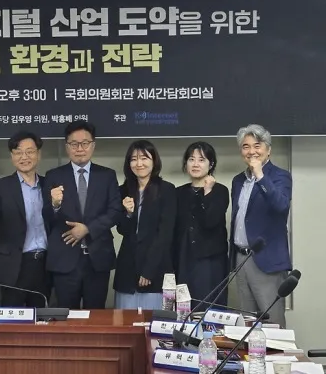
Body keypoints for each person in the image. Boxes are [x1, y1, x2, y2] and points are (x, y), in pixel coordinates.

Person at [43, 120, 122, 309]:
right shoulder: (53, 175)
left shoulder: (107, 175)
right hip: (64, 259)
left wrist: (88, 229)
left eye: (85, 143)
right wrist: (55, 205)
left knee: (96, 315)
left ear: (93, 145)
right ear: (66, 147)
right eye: (74, 144)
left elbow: (115, 211)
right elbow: (46, 216)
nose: (79, 148)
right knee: (65, 316)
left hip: (97, 259)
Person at [0, 130, 49, 307]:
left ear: (38, 154)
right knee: (12, 317)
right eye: (18, 152)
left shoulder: (49, 185)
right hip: (13, 265)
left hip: (44, 264)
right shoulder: (1, 186)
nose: (24, 157)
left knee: (42, 317)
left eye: (29, 152)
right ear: (12, 156)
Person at [231, 124, 292, 327]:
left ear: (268, 149)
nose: (251, 151)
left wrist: (260, 176)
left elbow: (281, 206)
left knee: (272, 322)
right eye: (246, 146)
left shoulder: (280, 176)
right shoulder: (238, 180)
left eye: (257, 146)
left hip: (267, 260)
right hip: (241, 258)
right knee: (247, 323)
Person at [113, 140, 176, 310]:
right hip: (127, 268)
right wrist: (128, 214)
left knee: (152, 321)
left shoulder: (166, 190)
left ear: (154, 160)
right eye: (134, 159)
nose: (139, 163)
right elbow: (122, 229)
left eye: (144, 158)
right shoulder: (123, 190)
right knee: (125, 321)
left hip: (155, 268)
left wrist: (149, 270)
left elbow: (165, 233)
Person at [175, 142, 229, 309]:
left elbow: (210, 221)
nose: (195, 164)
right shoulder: (177, 192)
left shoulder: (220, 191)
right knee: (184, 309)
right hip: (183, 259)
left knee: (210, 309)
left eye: (201, 160)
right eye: (191, 159)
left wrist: (208, 192)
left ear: (210, 164)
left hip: (210, 261)